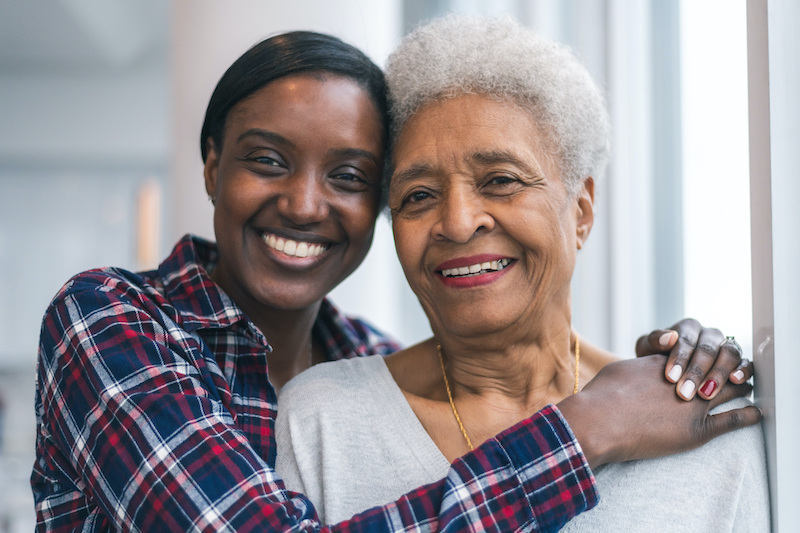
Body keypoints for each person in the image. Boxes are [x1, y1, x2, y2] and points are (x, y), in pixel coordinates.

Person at [33, 29, 757, 533]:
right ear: (211, 166)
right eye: (268, 159)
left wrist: (690, 360)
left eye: (348, 177)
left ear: (582, 209)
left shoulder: (359, 352)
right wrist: (588, 427)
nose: (306, 204)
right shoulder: (110, 320)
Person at [275, 16, 769, 531]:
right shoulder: (322, 422)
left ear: (580, 210)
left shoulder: (699, 425)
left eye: (501, 180)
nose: (459, 223)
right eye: (418, 194)